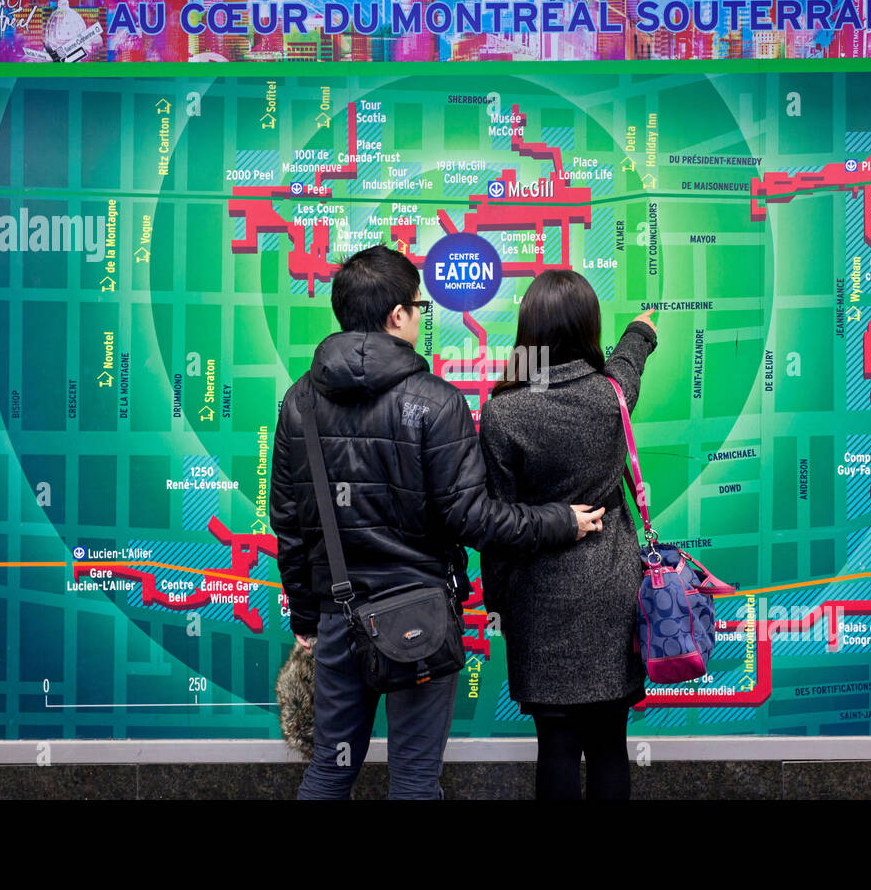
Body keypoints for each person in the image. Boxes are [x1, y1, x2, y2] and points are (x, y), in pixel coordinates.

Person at [269, 244, 605, 800]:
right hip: (417, 619)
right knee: (415, 779)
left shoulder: (299, 402)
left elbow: (289, 521)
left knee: (329, 771)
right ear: (398, 314)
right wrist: (557, 522)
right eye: (419, 306)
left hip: (337, 615)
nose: (422, 316)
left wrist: (309, 616)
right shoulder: (436, 401)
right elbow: (471, 518)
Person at [479, 270, 658, 800]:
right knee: (609, 743)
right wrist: (641, 330)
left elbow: (497, 524)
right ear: (588, 327)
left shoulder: (502, 412)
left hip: (537, 599)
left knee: (554, 744)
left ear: (528, 329)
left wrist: (499, 605)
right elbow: (629, 362)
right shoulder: (611, 397)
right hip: (613, 593)